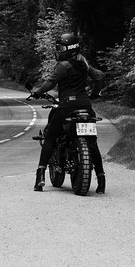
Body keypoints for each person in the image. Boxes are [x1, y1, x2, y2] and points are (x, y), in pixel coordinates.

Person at [30, 33, 106, 193]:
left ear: (70, 49)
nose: (58, 50)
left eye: (61, 47)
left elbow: (50, 83)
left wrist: (37, 92)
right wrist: (94, 94)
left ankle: (40, 176)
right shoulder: (83, 62)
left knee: (50, 135)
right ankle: (101, 179)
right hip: (86, 106)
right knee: (92, 141)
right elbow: (99, 76)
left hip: (67, 107)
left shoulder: (63, 66)